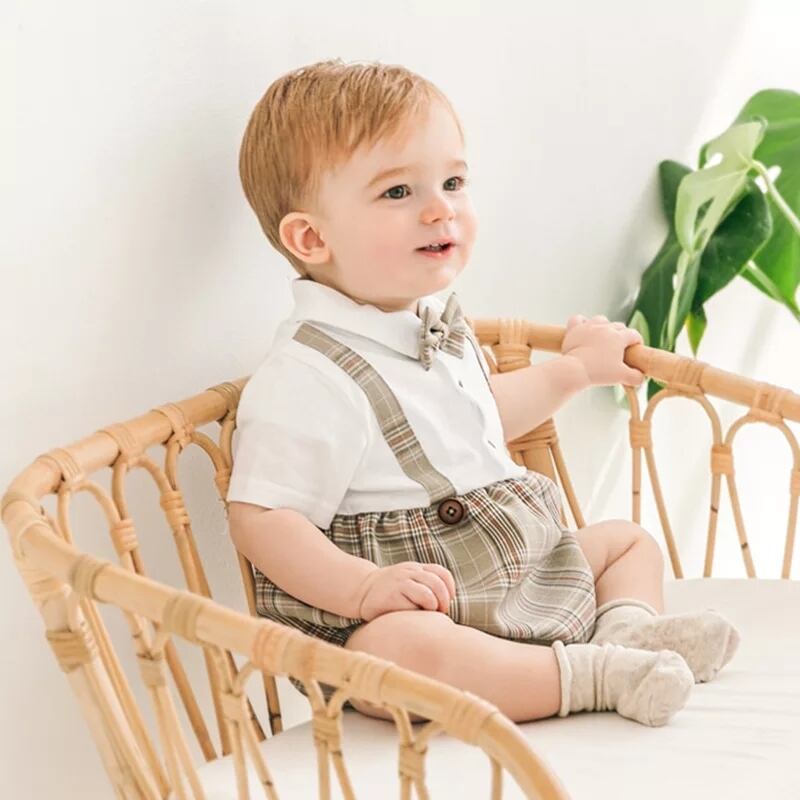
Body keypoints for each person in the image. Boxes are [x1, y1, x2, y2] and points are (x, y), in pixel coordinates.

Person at [226, 58, 740, 727]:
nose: (441, 208)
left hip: (518, 568)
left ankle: (627, 635)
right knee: (400, 652)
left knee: (626, 542)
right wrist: (365, 589)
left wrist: (572, 372)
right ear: (311, 237)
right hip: (420, 604)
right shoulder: (308, 376)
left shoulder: (435, 324)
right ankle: (591, 676)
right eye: (397, 192)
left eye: (452, 182)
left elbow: (481, 419)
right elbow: (263, 519)